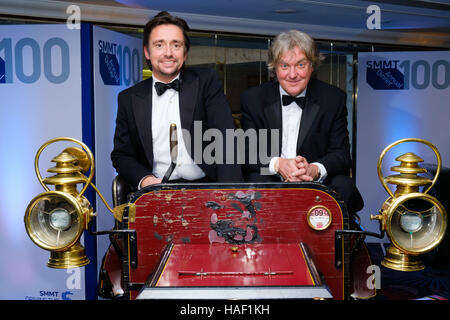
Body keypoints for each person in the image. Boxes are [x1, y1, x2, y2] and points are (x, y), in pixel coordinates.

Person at [111, 11, 242, 190]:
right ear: (147, 52)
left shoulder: (206, 82)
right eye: (159, 45)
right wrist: (145, 180)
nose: (168, 53)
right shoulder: (128, 98)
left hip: (206, 188)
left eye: (176, 45)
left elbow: (226, 139)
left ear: (185, 53)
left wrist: (230, 195)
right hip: (155, 192)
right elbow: (121, 155)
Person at [240, 29, 363, 215]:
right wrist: (278, 165)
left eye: (300, 65)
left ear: (312, 66)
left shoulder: (332, 99)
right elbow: (246, 151)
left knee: (343, 185)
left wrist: (313, 169)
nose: (292, 74)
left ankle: (333, 243)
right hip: (270, 180)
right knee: (251, 182)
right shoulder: (253, 98)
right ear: (274, 68)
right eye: (284, 66)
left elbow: (342, 155)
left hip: (315, 185)